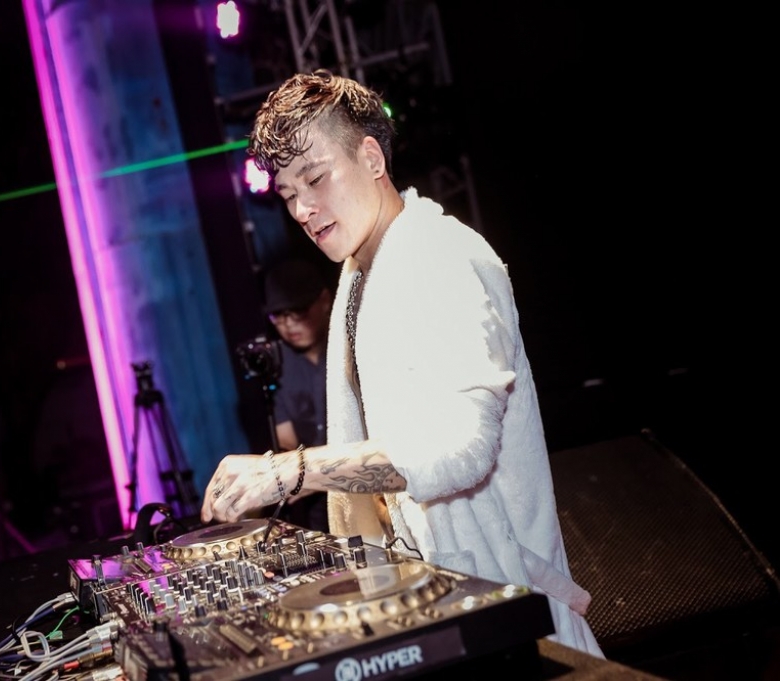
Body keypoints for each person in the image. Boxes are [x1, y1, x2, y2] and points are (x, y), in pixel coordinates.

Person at [200, 69, 603, 657]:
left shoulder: (441, 256)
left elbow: (460, 449)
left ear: (371, 158)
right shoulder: (360, 275)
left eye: (315, 178)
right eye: (288, 195)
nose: (304, 209)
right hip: (449, 606)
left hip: (514, 619)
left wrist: (291, 470)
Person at [262, 257, 333, 532]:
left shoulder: (351, 346)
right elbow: (286, 440)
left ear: (324, 300)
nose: (289, 324)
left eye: (298, 311)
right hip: (317, 504)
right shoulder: (276, 363)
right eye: (278, 315)